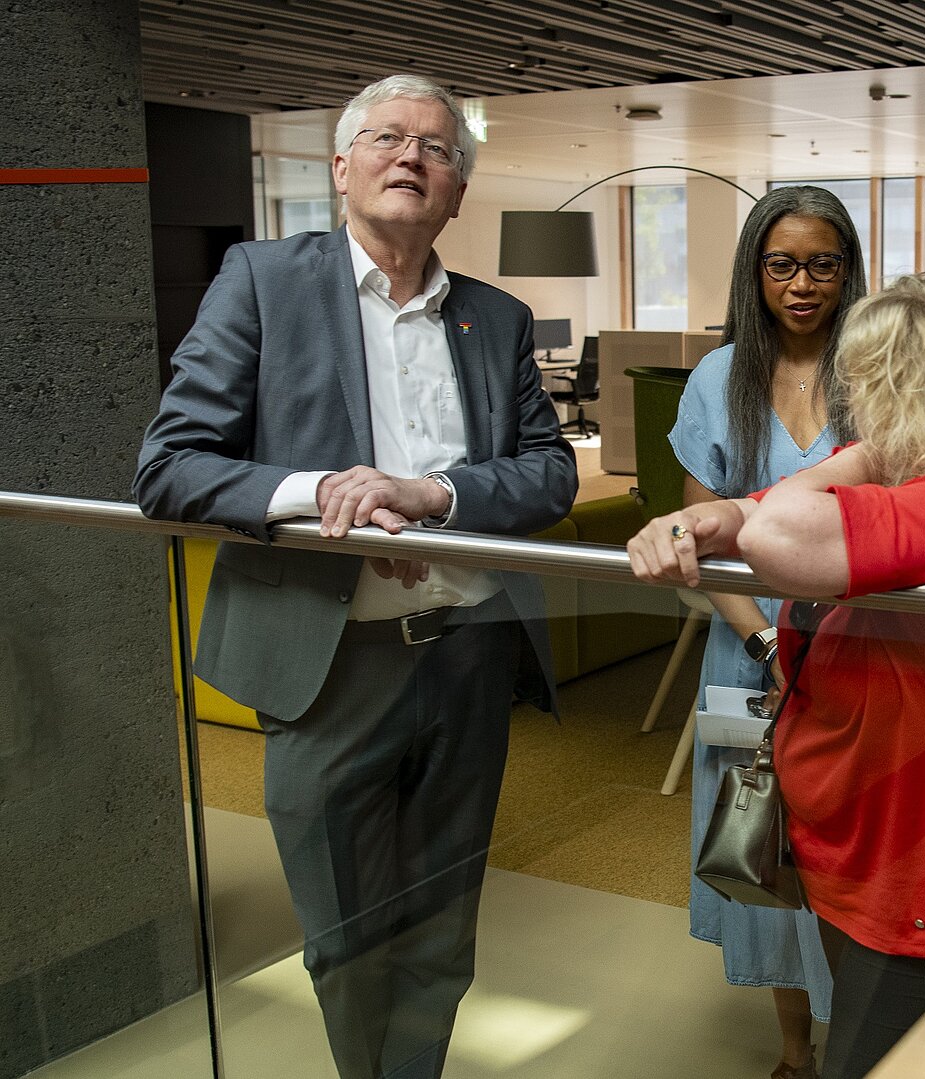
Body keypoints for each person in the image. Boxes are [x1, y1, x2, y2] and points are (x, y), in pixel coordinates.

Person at [133, 76, 576, 1079]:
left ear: (459, 190)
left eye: (437, 147)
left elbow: (548, 474)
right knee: (341, 931)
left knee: (441, 923)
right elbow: (170, 466)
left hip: (467, 653)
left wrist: (430, 495)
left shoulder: (499, 319)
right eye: (387, 137)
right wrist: (324, 493)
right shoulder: (261, 281)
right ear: (341, 169)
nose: (411, 156)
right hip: (331, 667)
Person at [629, 275, 925, 1079]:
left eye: (871, 385)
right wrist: (714, 516)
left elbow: (779, 531)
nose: (853, 404)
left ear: (915, 396)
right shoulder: (919, 492)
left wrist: (852, 462)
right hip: (868, 857)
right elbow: (757, 513)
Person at [668, 185, 865, 1079]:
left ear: (847, 270)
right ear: (755, 271)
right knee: (767, 845)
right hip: (750, 651)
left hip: (858, 650)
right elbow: (700, 538)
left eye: (822, 263)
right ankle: (795, 1051)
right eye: (782, 264)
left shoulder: (876, 371)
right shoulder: (721, 376)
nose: (802, 283)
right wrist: (763, 646)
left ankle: (864, 1032)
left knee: (853, 845)